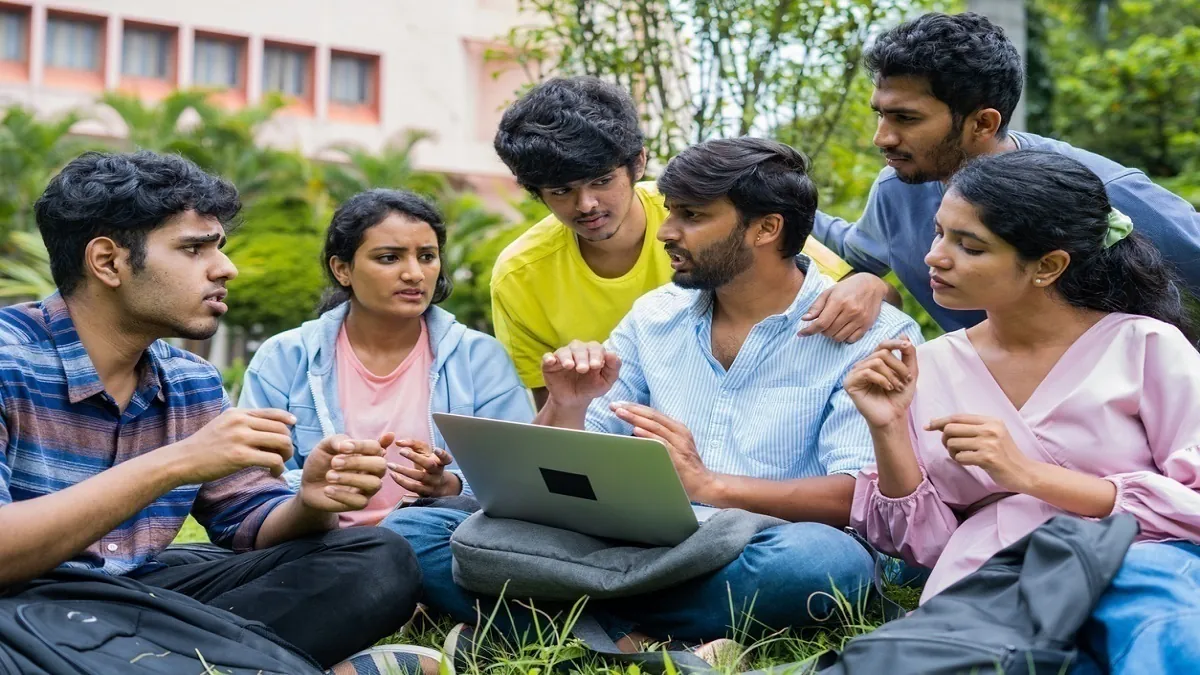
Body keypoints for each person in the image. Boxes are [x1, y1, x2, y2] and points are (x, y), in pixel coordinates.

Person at [388, 137, 924, 650]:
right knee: (414, 529)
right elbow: (552, 478)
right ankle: (639, 632)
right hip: (630, 540)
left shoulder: (872, 334)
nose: (666, 231)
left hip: (752, 546)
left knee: (826, 566)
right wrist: (569, 404)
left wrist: (708, 485)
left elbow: (860, 497)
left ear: (766, 228)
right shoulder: (654, 316)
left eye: (691, 216)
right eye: (670, 211)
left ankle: (559, 619)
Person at [0, 151, 428, 672]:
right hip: (20, 598)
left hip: (137, 596)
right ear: (108, 262)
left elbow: (248, 521)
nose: (226, 268)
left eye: (219, 247)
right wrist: (179, 462)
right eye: (194, 248)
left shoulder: (190, 380)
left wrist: (313, 501)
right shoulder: (8, 359)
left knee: (376, 560)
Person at [845, 150, 1200, 674]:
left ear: (1049, 266)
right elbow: (926, 546)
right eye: (938, 233)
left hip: (1135, 562)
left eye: (969, 246)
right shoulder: (928, 366)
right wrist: (889, 428)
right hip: (987, 580)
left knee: (1160, 637)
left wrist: (1027, 475)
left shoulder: (1145, 345)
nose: (934, 258)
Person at [490, 77, 896, 407]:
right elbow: (558, 411)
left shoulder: (706, 219)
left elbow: (862, 303)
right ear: (535, 192)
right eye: (561, 191)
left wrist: (870, 284)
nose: (587, 205)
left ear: (638, 164)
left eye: (601, 181)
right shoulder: (518, 276)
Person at [809, 11, 1200, 334]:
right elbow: (852, 254)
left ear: (982, 123)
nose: (882, 138)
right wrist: (761, 190)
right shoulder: (898, 190)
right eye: (880, 114)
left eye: (905, 118)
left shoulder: (1100, 191)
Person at [240, 189, 534, 527]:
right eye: (389, 258)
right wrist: (319, 483)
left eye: (426, 256)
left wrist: (447, 485)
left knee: (408, 539)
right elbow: (251, 481)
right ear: (342, 270)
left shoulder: (479, 357)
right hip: (314, 542)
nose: (414, 274)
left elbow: (516, 479)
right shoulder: (284, 358)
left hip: (438, 537)